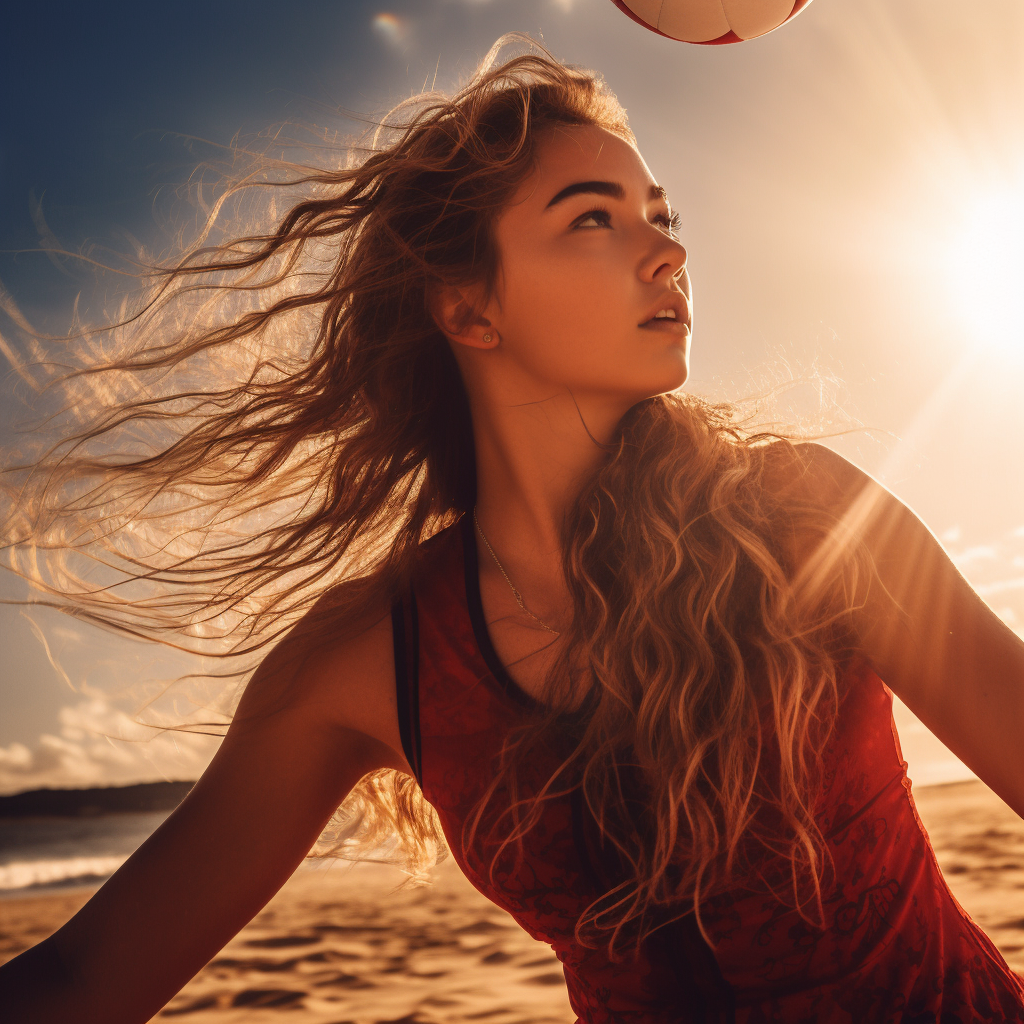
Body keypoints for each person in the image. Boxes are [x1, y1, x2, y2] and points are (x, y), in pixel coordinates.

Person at [1, 35, 1023, 1024]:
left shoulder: (802, 518)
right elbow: (88, 981)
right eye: (594, 220)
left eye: (660, 216)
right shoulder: (369, 656)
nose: (667, 251)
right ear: (469, 309)